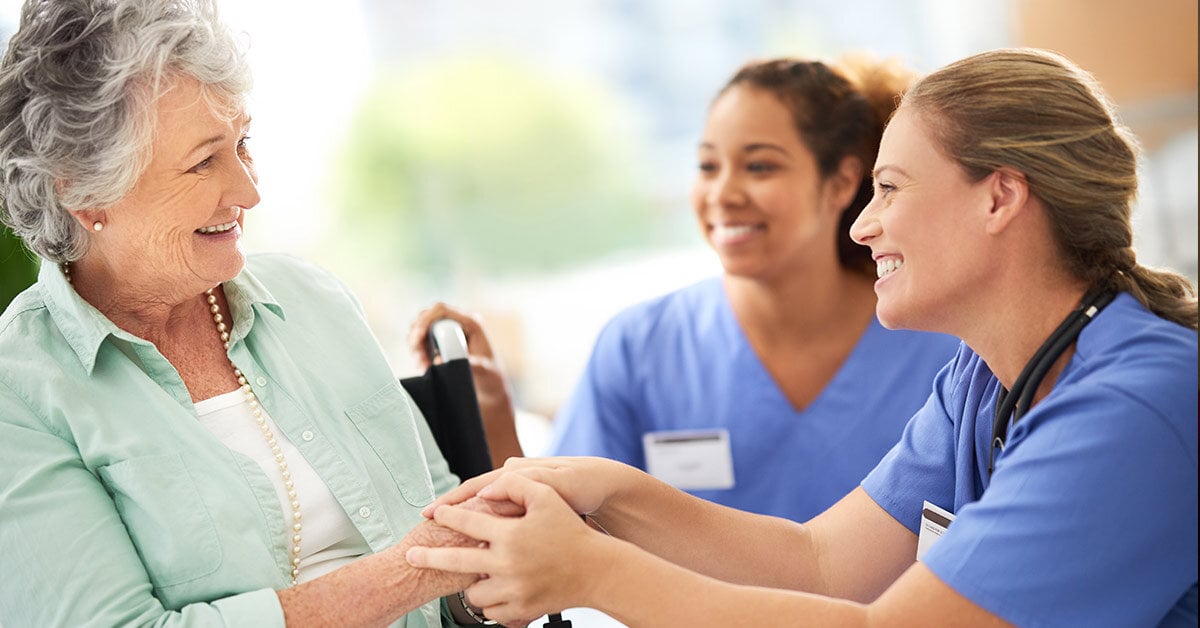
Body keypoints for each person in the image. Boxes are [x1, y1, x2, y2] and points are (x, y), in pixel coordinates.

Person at [405, 48, 1199, 626]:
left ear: (999, 199)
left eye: (889, 189)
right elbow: (821, 565)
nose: (864, 224)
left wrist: (593, 572)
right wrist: (614, 492)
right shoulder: (981, 381)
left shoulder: (1134, 405)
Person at [0, 1, 513, 626]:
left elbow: (447, 543)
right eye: (203, 161)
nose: (249, 191)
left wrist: (488, 591)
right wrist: (420, 570)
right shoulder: (20, 392)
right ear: (82, 190)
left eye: (243, 144)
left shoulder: (311, 300)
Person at [410, 55, 959, 523]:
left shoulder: (942, 344)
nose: (723, 192)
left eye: (760, 166)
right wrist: (493, 419)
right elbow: (563, 531)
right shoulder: (639, 348)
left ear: (841, 182)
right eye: (707, 165)